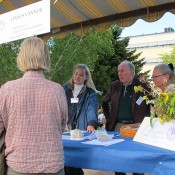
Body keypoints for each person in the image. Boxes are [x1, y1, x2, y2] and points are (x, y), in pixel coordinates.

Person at [0, 37, 68, 175]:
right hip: (53, 166)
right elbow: (61, 126)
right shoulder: (57, 90)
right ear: (46, 57)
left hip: (18, 165)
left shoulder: (7, 89)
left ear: (21, 57)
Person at [102, 60, 150, 175]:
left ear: (132, 72)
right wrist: (109, 119)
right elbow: (104, 102)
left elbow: (153, 104)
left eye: (122, 71)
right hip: (118, 127)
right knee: (117, 160)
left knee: (137, 159)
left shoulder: (142, 87)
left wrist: (146, 123)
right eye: (119, 71)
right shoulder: (115, 86)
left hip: (136, 128)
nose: (119, 73)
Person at [63, 64, 98, 175]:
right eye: (76, 74)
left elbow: (91, 109)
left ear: (86, 77)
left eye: (81, 75)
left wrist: (91, 123)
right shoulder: (63, 89)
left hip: (79, 130)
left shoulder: (90, 93)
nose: (77, 77)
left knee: (74, 162)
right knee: (65, 160)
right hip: (64, 130)